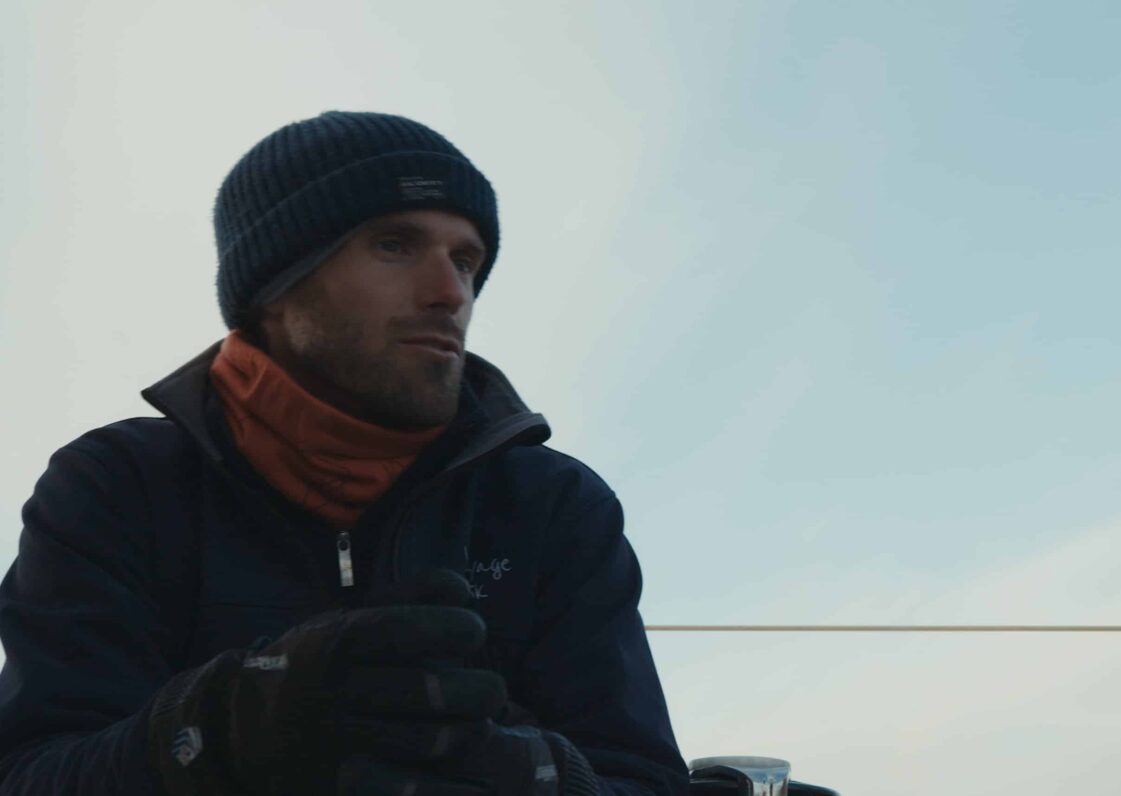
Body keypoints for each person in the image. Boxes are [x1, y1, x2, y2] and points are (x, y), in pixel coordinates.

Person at [0, 111, 690, 795]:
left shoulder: (553, 504)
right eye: (394, 245)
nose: (450, 293)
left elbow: (643, 779)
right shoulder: (116, 484)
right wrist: (216, 729)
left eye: (466, 260)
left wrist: (532, 774)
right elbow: (30, 773)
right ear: (273, 285)